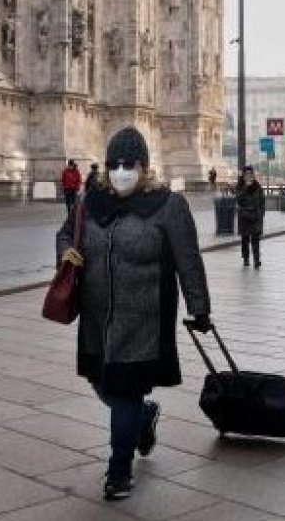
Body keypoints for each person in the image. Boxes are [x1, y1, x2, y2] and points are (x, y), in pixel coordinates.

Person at [55, 127, 212, 501]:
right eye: (114, 164)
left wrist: (199, 307)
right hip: (96, 318)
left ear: (144, 167)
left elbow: (187, 259)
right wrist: (66, 253)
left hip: (143, 320)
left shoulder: (167, 206)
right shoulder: (91, 202)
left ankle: (119, 468)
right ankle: (143, 418)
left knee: (124, 391)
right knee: (102, 383)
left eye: (130, 164)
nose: (121, 171)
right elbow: (65, 234)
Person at [236, 166, 265, 268]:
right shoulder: (240, 186)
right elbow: (239, 200)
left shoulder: (258, 187)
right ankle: (246, 258)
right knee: (245, 239)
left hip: (255, 216)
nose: (249, 176)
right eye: (247, 174)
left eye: (250, 174)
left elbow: (262, 201)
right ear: (243, 176)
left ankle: (257, 260)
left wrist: (261, 215)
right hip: (244, 216)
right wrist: (245, 188)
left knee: (255, 239)